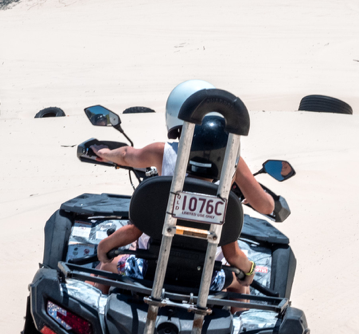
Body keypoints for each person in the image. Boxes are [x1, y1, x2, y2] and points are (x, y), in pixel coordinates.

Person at [94, 115, 256, 295]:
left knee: (106, 267)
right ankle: (242, 319)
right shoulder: (225, 204)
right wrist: (248, 271)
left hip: (150, 273)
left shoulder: (162, 192)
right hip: (203, 283)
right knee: (241, 286)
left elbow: (133, 231)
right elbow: (233, 255)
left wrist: (104, 247)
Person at [94, 80, 275, 216]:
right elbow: (266, 207)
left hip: (160, 241)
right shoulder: (232, 160)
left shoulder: (161, 152)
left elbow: (126, 155)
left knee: (108, 259)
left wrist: (105, 153)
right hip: (210, 254)